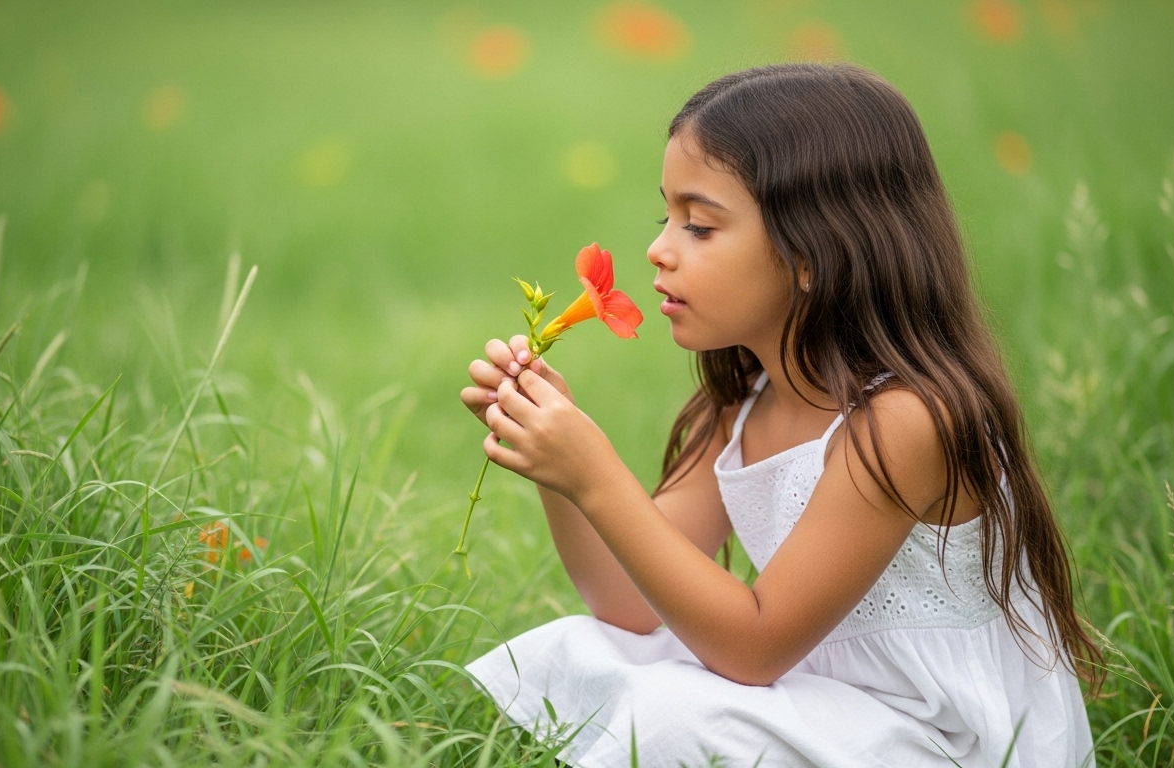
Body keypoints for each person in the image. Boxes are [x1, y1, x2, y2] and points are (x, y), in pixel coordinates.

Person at [458, 63, 1101, 767]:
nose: (658, 249)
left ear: (810, 254)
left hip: (941, 738)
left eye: (700, 226)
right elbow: (628, 602)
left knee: (667, 716)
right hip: (826, 699)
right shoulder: (745, 399)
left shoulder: (907, 421)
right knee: (577, 646)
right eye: (665, 217)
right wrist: (555, 464)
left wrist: (597, 476)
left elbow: (755, 647)